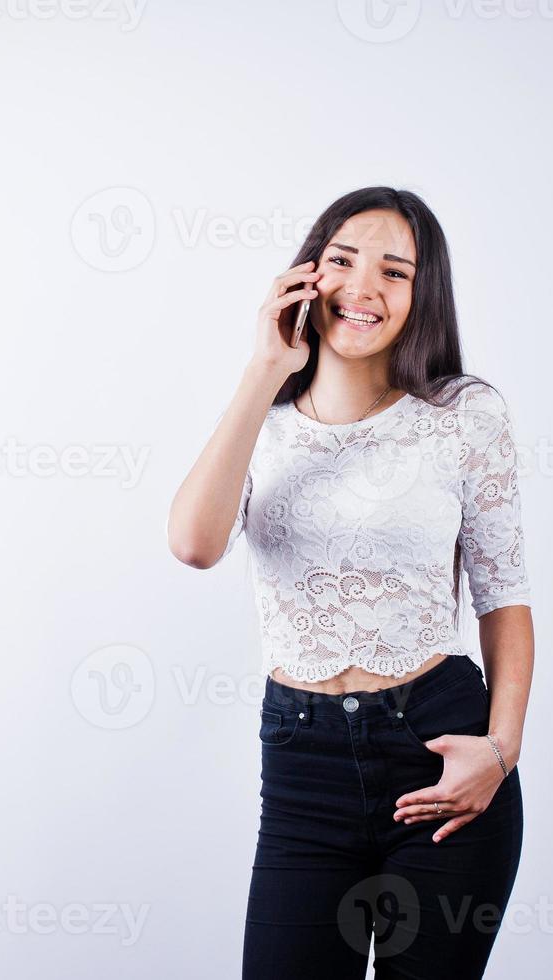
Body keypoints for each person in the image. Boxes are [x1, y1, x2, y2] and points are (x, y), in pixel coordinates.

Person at [166, 186, 534, 979]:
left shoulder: (462, 414)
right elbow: (194, 545)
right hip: (302, 770)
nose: (362, 287)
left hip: (437, 753)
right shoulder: (260, 419)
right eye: (341, 260)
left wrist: (500, 751)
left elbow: (503, 598)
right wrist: (264, 369)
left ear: (420, 296)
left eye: (393, 272)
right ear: (306, 275)